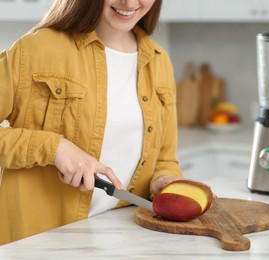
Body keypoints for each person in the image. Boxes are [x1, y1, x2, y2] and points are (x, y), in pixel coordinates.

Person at [0, 0, 185, 245]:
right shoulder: (35, 50)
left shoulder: (159, 62)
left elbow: (165, 158)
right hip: (39, 244)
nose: (129, 3)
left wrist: (164, 181)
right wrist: (54, 148)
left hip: (125, 242)